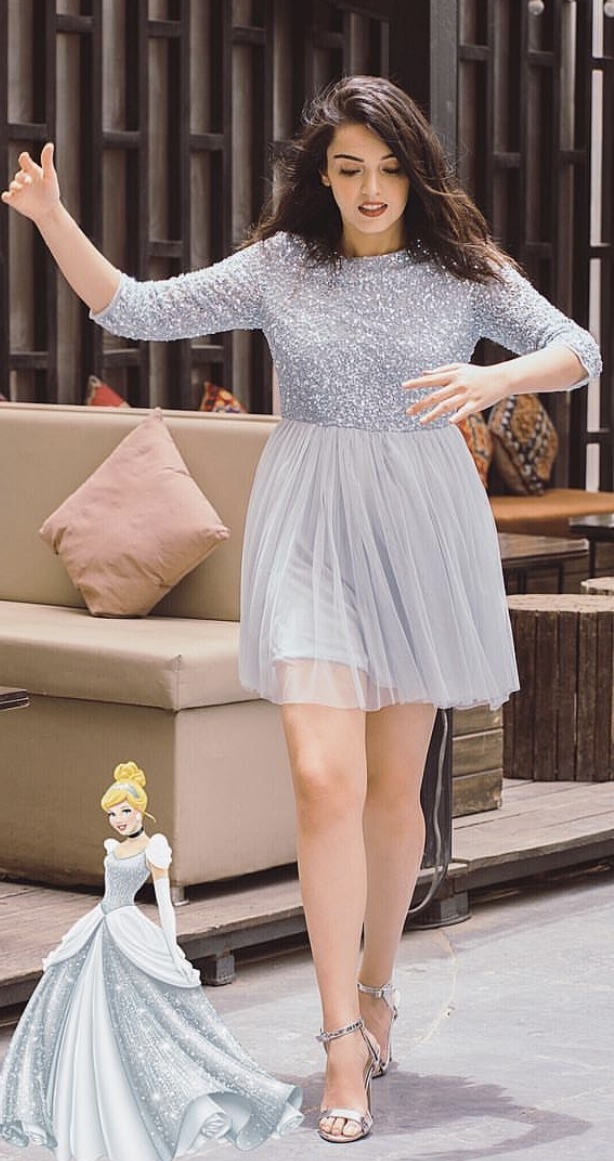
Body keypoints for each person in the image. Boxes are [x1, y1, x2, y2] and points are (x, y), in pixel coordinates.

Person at [2, 75, 601, 1145]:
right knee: (323, 781)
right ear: (319, 176)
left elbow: (580, 349)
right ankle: (338, 1044)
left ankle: (377, 988)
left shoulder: (462, 269)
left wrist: (492, 383)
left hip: (419, 531)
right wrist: (51, 216)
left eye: (389, 169)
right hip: (313, 527)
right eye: (348, 168)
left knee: (391, 788)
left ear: (416, 173)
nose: (370, 190)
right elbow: (134, 308)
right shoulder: (284, 263)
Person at [0, 762, 303, 1158]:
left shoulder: (154, 847)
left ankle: (180, 1102)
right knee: (80, 1010)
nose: (118, 819)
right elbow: (108, 895)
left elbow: (165, 903)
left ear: (140, 809)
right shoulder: (112, 849)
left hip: (128, 929)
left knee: (141, 1015)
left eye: (125, 810)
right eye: (112, 813)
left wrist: (171, 949)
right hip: (101, 925)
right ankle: (93, 1109)